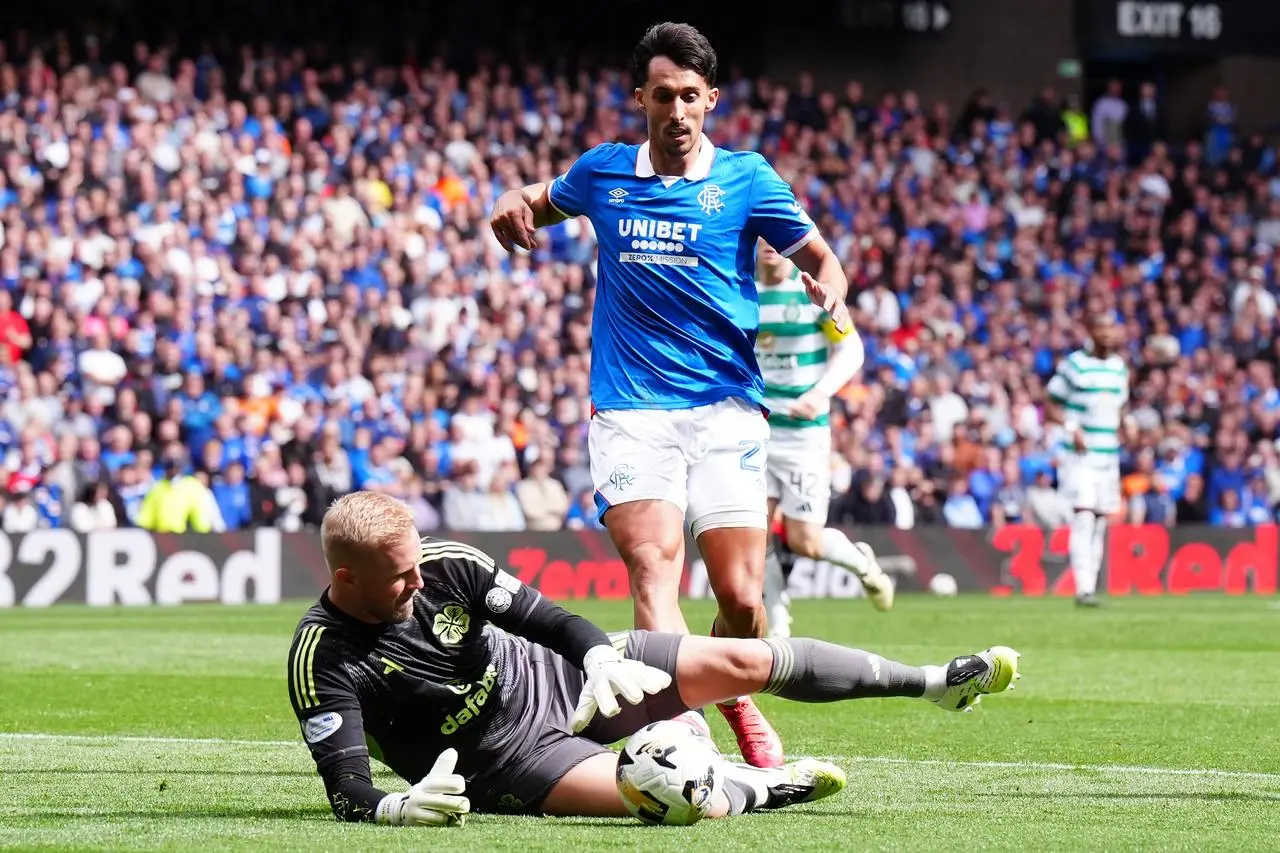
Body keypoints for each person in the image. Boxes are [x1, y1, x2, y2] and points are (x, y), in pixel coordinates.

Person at [489, 21, 853, 768]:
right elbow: (541, 198)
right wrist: (510, 199)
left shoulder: (748, 179)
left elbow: (822, 257)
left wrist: (831, 290)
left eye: (690, 95)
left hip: (726, 407)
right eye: (663, 96)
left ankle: (732, 690)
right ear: (641, 100)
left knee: (743, 600)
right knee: (655, 567)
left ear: (710, 98)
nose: (677, 110)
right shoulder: (603, 172)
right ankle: (682, 737)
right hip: (631, 407)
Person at [287, 491, 1022, 826]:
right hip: (507, 763)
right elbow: (347, 789)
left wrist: (598, 659)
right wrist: (396, 807)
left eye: (417, 566)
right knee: (667, 794)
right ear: (346, 578)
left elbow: (554, 621)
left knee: (745, 657)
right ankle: (763, 787)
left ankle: (937, 682)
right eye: (400, 577)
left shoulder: (448, 563)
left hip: (560, 680)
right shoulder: (322, 659)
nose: (418, 583)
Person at [753, 239, 894, 638]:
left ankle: (863, 564)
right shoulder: (741, 292)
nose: (769, 244)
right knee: (753, 533)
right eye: (761, 235)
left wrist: (819, 393)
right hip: (756, 432)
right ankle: (778, 625)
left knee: (806, 542)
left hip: (803, 438)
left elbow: (851, 349)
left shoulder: (810, 292)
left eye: (774, 236)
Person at [1046, 312, 1136, 607]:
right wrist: (1071, 427)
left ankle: (1090, 586)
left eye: (1112, 328)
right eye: (1102, 328)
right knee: (1084, 516)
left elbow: (1120, 406)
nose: (1108, 333)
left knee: (1099, 520)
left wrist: (1128, 423)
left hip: (1109, 454)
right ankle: (1083, 588)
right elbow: (1050, 403)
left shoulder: (1118, 367)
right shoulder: (1074, 365)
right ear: (1091, 331)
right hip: (1081, 455)